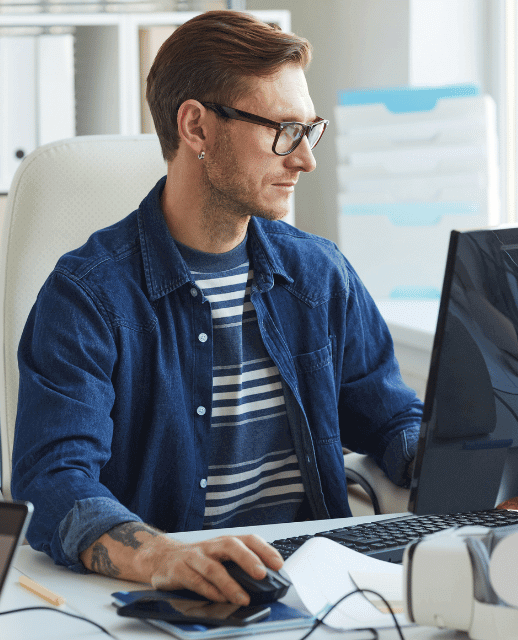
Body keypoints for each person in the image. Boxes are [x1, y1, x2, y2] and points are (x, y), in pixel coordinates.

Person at [11, 11, 422, 607]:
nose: (304, 159)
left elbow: (387, 418)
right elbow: (53, 482)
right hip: (167, 595)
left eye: (310, 130)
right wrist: (162, 553)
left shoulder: (318, 275)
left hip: (318, 588)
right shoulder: (88, 297)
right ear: (196, 127)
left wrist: (477, 470)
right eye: (283, 130)